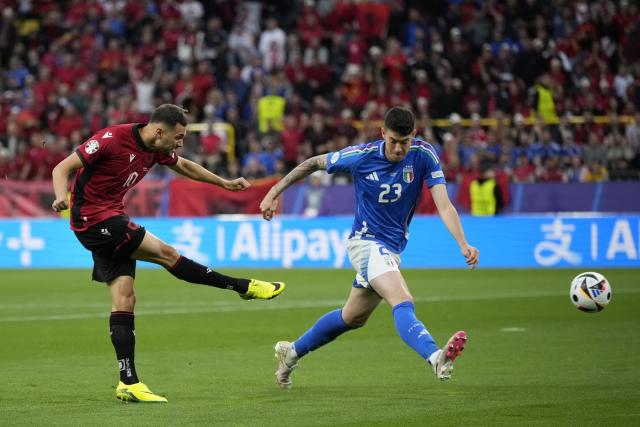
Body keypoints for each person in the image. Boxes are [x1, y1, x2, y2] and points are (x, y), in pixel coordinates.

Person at [51, 104, 285, 403]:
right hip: (94, 220)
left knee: (125, 299)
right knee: (167, 254)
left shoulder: (156, 148)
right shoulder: (111, 139)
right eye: (178, 137)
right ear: (159, 131)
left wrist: (223, 183)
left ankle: (128, 382)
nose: (180, 143)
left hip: (110, 219)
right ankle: (242, 286)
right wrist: (61, 196)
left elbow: (184, 166)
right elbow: (62, 168)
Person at [259, 106, 479, 388]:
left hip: (391, 248)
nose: (398, 149)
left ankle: (291, 353)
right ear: (383, 133)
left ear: (413, 135)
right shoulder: (361, 156)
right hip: (365, 243)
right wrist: (273, 192)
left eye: (405, 142)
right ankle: (436, 357)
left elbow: (444, 204)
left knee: (352, 317)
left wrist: (462, 242)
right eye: (393, 141)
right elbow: (313, 163)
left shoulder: (424, 155)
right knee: (401, 299)